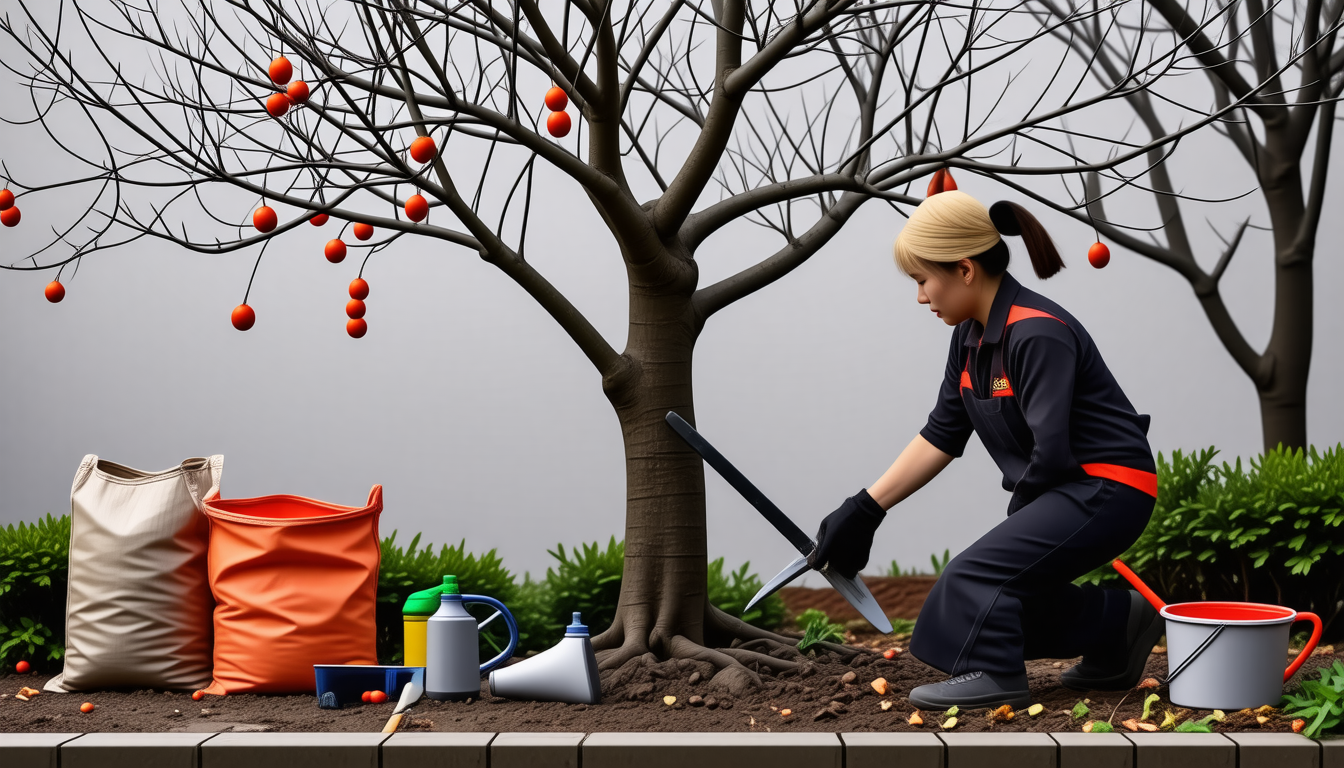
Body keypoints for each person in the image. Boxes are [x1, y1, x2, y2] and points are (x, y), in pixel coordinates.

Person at [806, 188, 1164, 709]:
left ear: (965, 270)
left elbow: (1052, 450)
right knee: (1001, 592)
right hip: (1068, 487)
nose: (921, 297)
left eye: (923, 280)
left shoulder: (1037, 333)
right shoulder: (970, 338)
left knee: (973, 578)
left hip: (1107, 487)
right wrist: (865, 509)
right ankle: (1118, 626)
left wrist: (1013, 532)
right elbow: (942, 434)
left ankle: (998, 674)